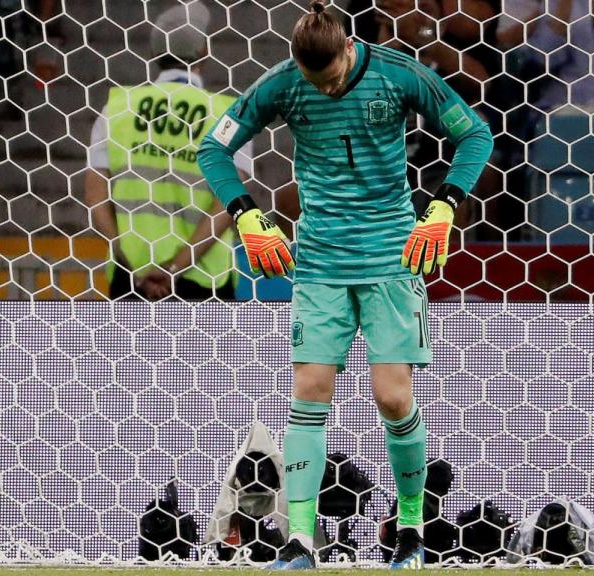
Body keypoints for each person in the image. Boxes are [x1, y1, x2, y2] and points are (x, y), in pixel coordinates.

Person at [198, 0, 492, 568]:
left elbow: (474, 135)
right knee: (308, 394)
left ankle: (410, 531)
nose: (326, 90)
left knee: (393, 397)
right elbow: (214, 147)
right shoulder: (283, 84)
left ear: (349, 50)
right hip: (320, 263)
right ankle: (300, 542)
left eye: (333, 78)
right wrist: (246, 214)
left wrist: (443, 206)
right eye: (316, 82)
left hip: (392, 257)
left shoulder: (399, 74)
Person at [84, 1, 253, 301]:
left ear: (153, 54)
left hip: (131, 279)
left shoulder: (117, 109)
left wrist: (133, 265)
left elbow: (96, 199)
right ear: (204, 51)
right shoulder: (227, 116)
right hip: (204, 282)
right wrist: (176, 267)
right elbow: (229, 204)